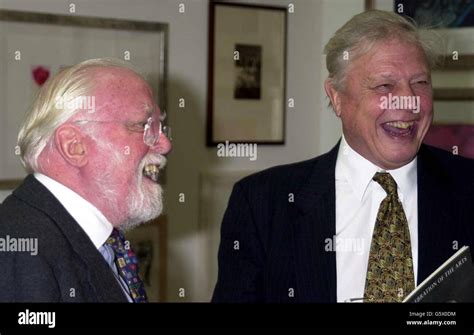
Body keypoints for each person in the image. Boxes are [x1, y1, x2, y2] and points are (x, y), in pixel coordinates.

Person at [212, 10, 474, 303]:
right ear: (336, 97)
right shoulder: (262, 204)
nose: (408, 100)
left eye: (420, 83)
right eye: (385, 85)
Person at [0, 58, 171, 302]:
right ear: (74, 146)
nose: (165, 144)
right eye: (145, 125)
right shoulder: (20, 253)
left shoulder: (100, 241)